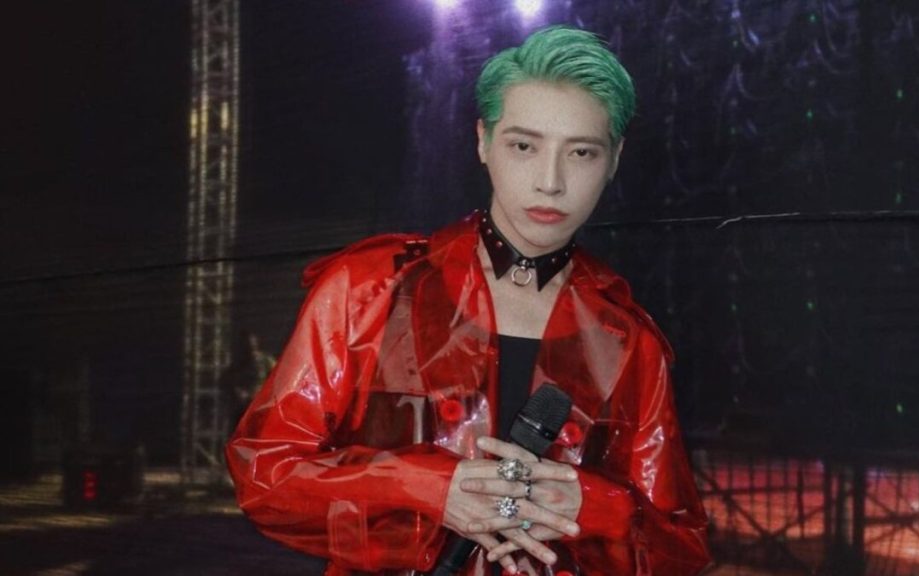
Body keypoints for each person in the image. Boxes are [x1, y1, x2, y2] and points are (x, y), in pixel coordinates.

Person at [226, 26, 710, 576]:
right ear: (484, 141)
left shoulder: (628, 341)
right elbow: (265, 476)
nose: (550, 182)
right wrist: (424, 485)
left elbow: (681, 547)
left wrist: (596, 508)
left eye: (581, 152)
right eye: (524, 146)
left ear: (614, 159)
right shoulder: (370, 290)